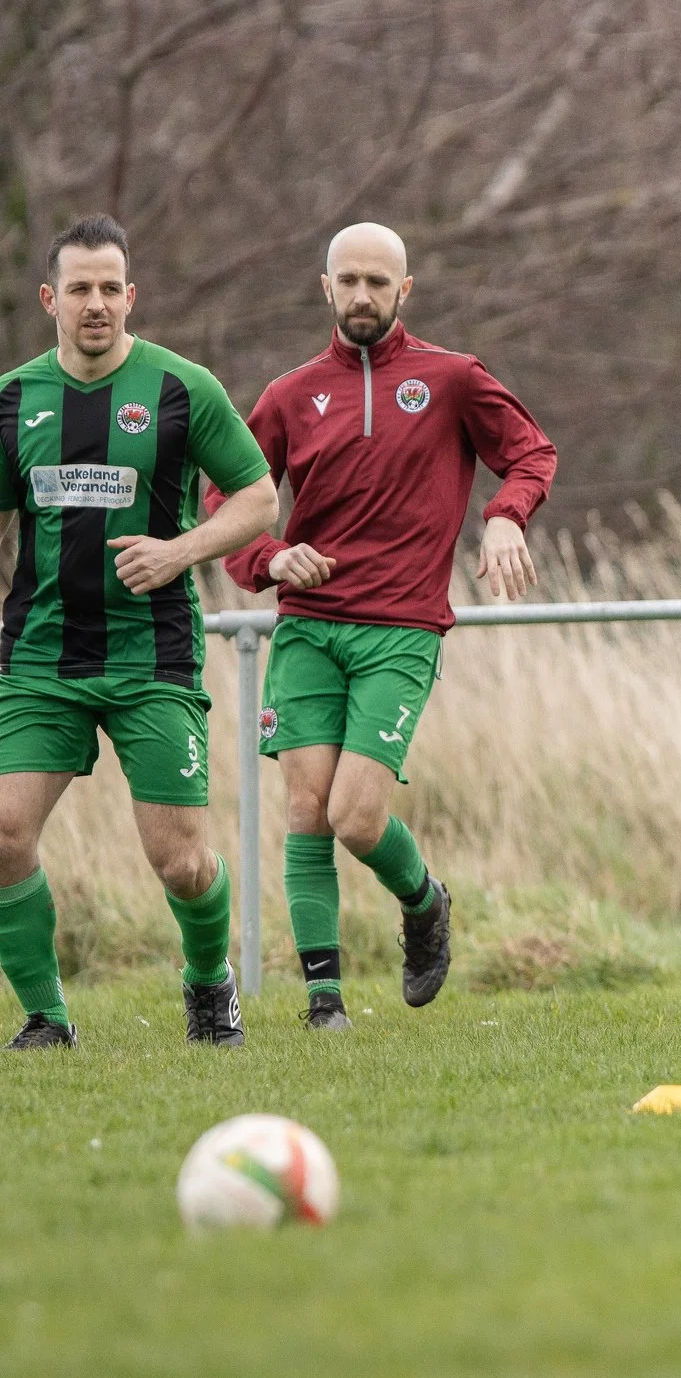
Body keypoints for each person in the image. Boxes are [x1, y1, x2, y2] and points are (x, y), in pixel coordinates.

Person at [207, 223, 557, 1029]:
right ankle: (323, 1003)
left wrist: (507, 515)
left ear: (407, 290)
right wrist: (269, 557)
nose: (362, 294)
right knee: (305, 808)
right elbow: (228, 501)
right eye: (348, 280)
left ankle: (424, 901)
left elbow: (532, 453)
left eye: (378, 281)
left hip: (401, 630)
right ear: (323, 287)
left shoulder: (452, 378)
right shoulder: (290, 394)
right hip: (307, 628)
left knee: (354, 816)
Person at [0, 215, 279, 1050]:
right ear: (51, 298)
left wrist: (180, 551)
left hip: (151, 656)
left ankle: (208, 984)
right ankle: (47, 1017)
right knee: (3, 833)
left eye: (109, 288)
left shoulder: (180, 389)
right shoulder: (14, 400)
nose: (95, 304)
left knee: (182, 864)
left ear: (132, 296)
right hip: (40, 658)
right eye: (78, 288)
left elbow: (261, 498)